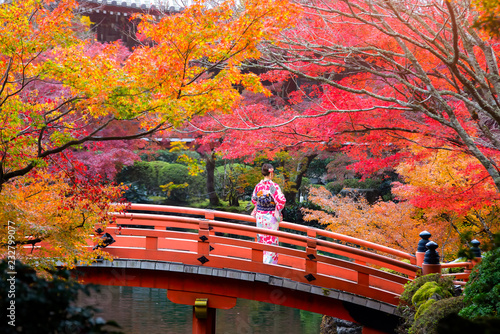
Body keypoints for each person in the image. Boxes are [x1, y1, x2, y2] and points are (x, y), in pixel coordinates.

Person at [251, 163, 286, 264]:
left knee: (261, 239)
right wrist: (277, 209)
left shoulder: (258, 186)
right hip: (271, 217)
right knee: (271, 240)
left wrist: (262, 204)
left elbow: (254, 200)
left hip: (260, 216)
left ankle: (260, 263)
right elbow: (281, 200)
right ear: (271, 173)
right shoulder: (273, 186)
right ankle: (269, 265)